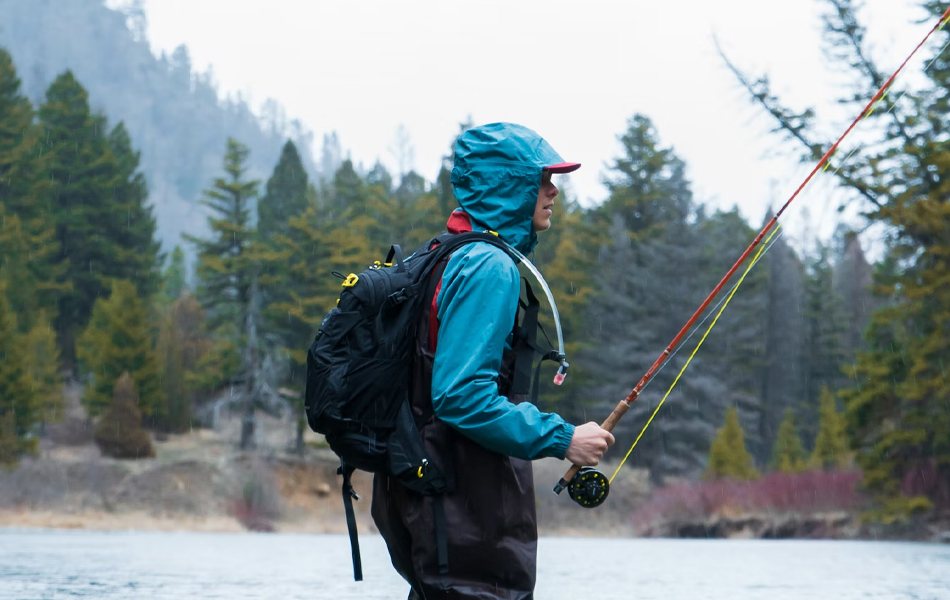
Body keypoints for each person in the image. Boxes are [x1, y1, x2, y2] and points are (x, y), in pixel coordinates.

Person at [372, 122, 614, 599]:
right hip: (463, 507)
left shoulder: (448, 255)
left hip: (431, 494)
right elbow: (460, 398)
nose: (553, 191)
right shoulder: (488, 267)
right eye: (542, 179)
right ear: (510, 184)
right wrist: (563, 437)